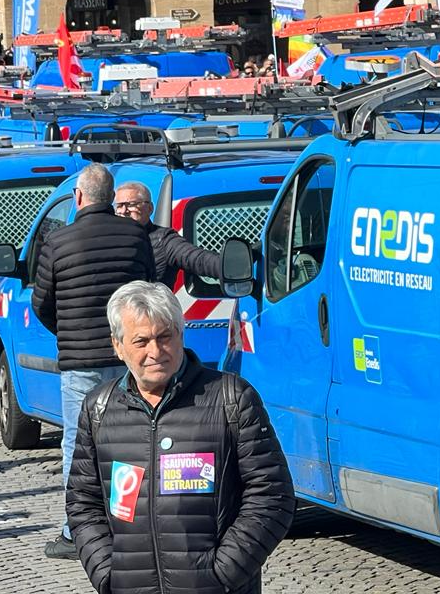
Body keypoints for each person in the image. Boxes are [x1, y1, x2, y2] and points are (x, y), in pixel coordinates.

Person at [67, 281, 295, 594]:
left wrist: (222, 574)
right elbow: (83, 503)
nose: (155, 352)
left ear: (181, 334)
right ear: (118, 346)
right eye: (141, 341)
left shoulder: (231, 398)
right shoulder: (99, 409)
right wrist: (108, 572)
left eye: (164, 337)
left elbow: (273, 496)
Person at [33, 163, 156, 560]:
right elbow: (150, 292)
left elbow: (42, 303)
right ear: (110, 197)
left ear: (79, 198)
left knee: (78, 444)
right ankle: (130, 524)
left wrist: (67, 332)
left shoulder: (58, 241)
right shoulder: (137, 237)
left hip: (79, 360)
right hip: (128, 360)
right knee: (130, 441)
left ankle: (76, 533)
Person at [113, 181, 222, 288]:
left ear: (150, 208)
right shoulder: (107, 239)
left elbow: (200, 260)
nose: (123, 211)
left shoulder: (164, 240)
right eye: (119, 206)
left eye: (131, 205)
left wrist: (228, 266)